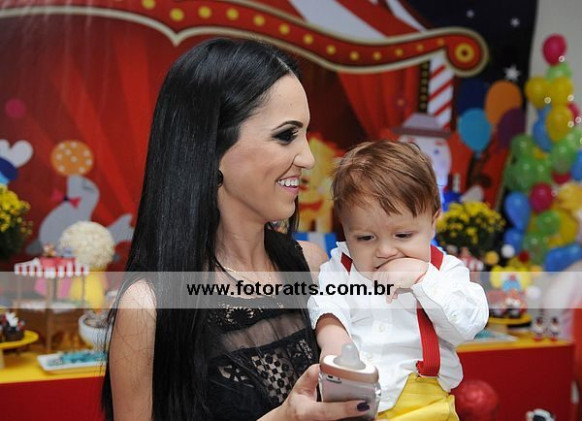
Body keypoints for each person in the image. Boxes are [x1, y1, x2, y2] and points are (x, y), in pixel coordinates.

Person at [101, 38, 371, 421]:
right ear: (212, 146)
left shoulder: (312, 266)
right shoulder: (148, 307)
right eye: (286, 135)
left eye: (305, 134)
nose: (308, 158)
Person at [308, 141, 489, 420]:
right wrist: (335, 345)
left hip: (424, 405)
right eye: (365, 237)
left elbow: (468, 323)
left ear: (433, 222)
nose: (385, 250)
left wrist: (423, 278)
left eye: (403, 235)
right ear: (345, 229)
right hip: (354, 401)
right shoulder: (341, 268)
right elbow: (327, 305)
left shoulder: (445, 271)